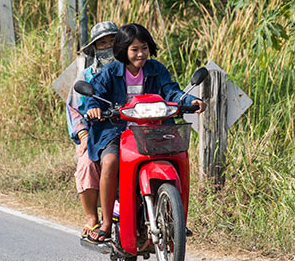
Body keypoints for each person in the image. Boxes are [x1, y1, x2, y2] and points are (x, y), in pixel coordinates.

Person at [83, 23, 206, 243]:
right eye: (134, 49)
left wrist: (190, 101)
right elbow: (95, 95)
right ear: (123, 50)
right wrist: (93, 107)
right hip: (117, 130)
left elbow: (172, 91)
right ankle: (106, 223)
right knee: (110, 161)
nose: (141, 54)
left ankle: (177, 219)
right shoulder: (110, 72)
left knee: (180, 157)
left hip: (155, 129)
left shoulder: (157, 69)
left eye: (144, 48)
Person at [65, 21, 118, 240]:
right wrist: (84, 136)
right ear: (95, 49)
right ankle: (92, 219)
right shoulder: (87, 77)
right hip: (99, 134)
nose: (108, 48)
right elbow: (76, 110)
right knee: (87, 164)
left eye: (114, 42)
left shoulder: (134, 71)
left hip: (134, 130)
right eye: (102, 44)